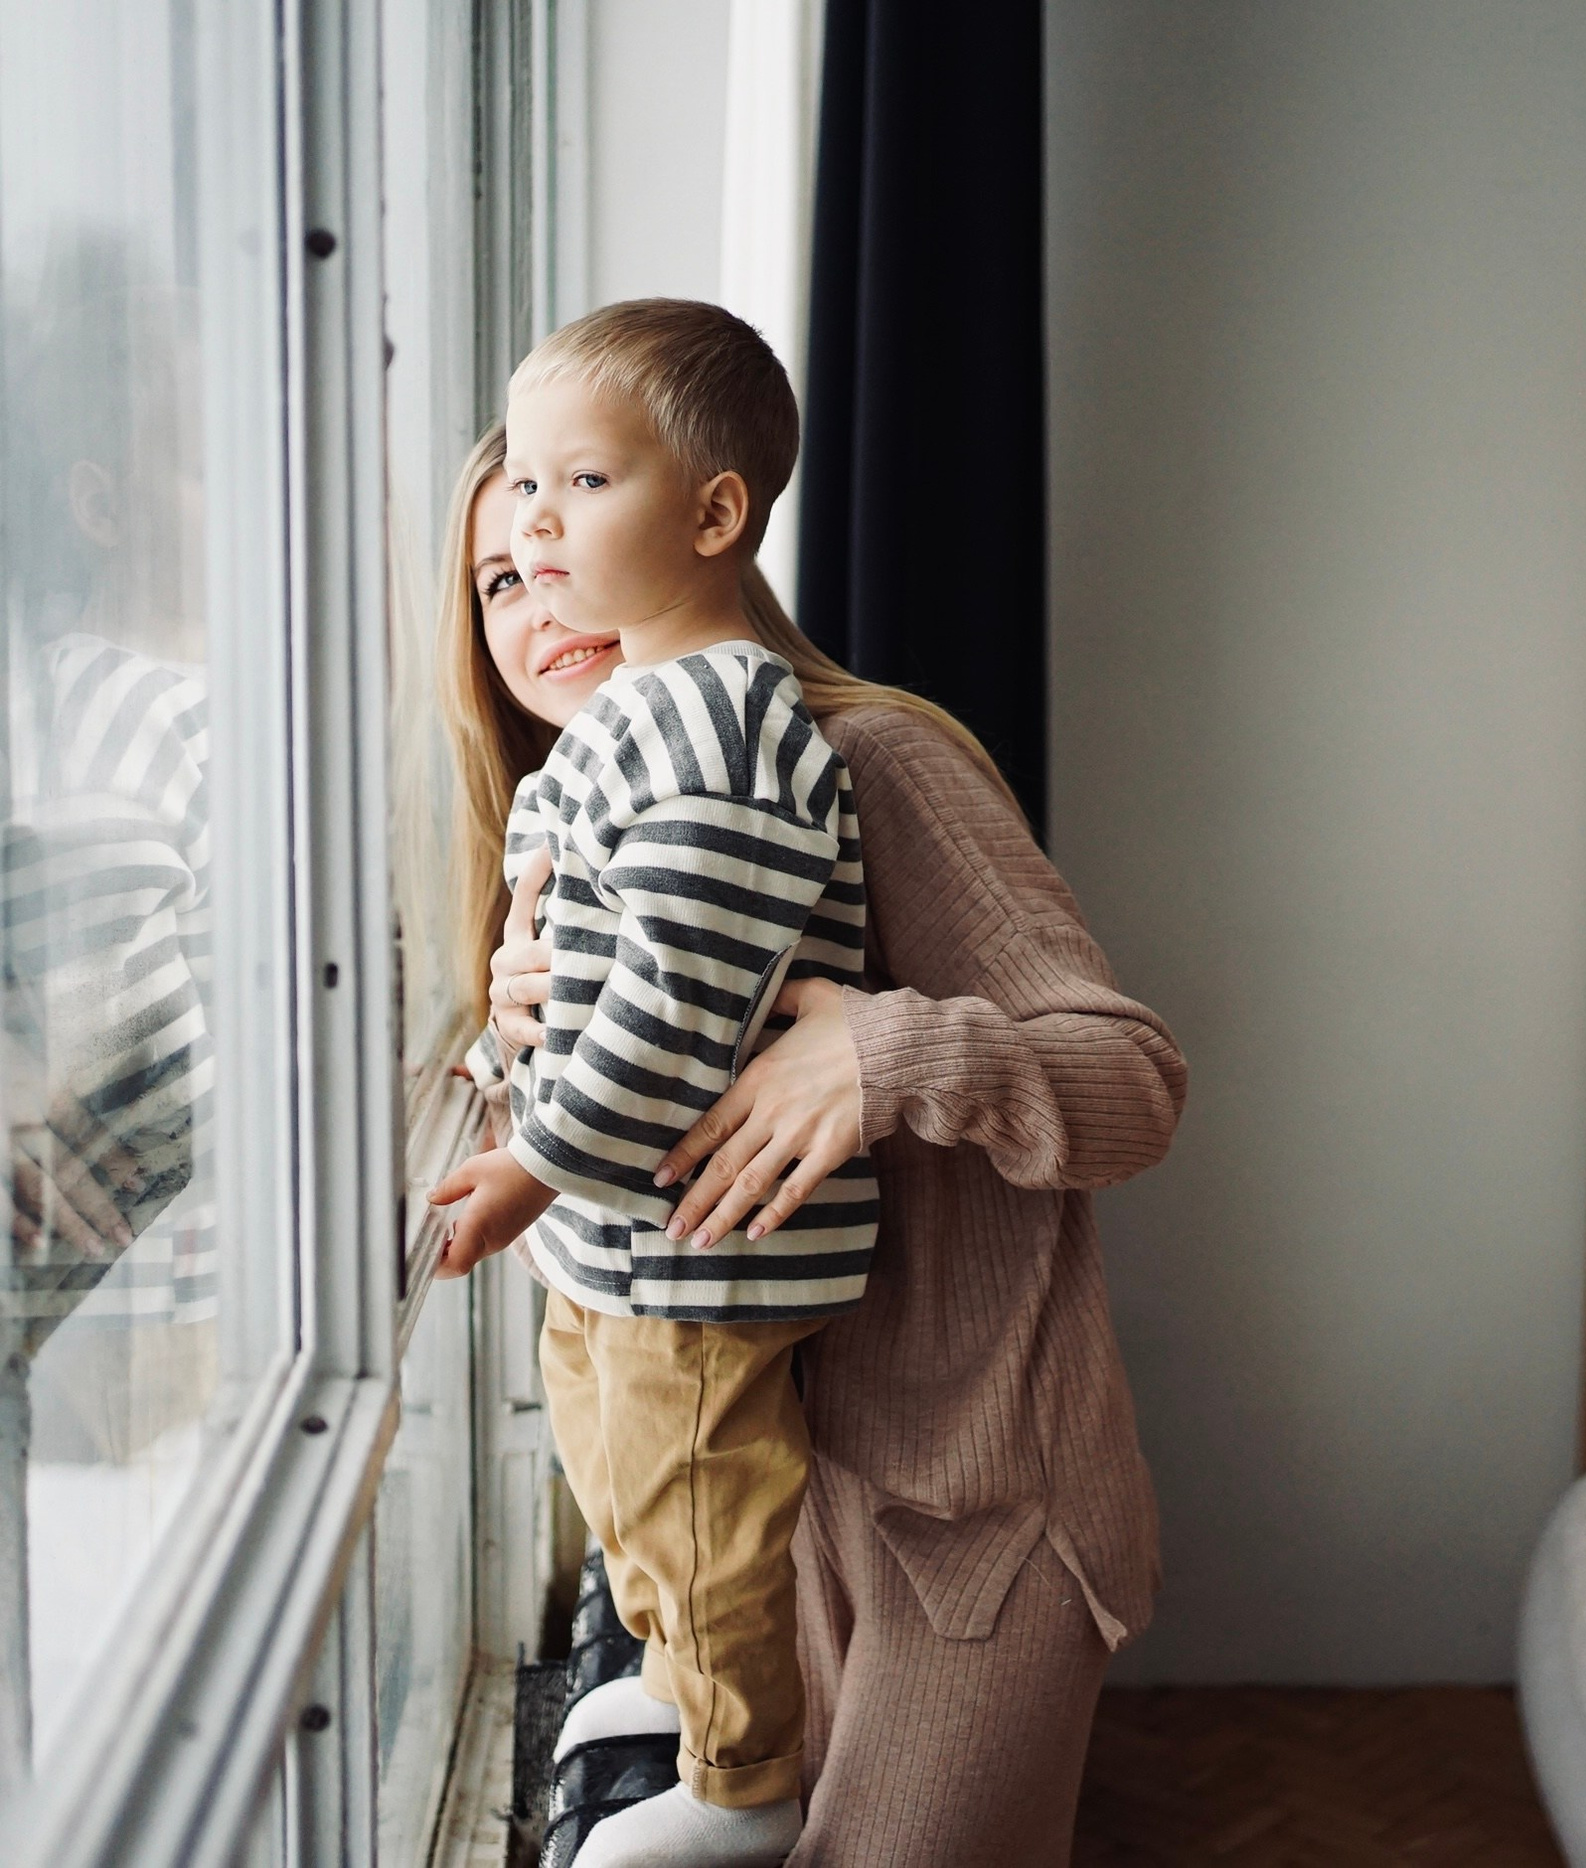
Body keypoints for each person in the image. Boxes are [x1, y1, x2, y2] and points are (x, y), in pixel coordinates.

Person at [437, 355, 1182, 1863]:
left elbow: (1136, 1087)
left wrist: (884, 1060)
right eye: (498, 582)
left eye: (565, 519)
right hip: (779, 1514)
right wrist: (513, 1036)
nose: (539, 591)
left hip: (970, 1527)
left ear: (698, 519)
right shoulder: (593, 839)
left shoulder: (863, 759)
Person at [432, 299, 875, 1867]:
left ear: (712, 515)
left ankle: (750, 1785)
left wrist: (532, 1164)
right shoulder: (632, 721)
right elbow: (589, 958)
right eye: (520, 505)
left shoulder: (729, 726)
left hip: (689, 1238)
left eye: (579, 489)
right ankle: (692, 1693)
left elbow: (679, 1008)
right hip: (618, 1236)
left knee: (701, 1504)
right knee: (620, 1479)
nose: (540, 528)